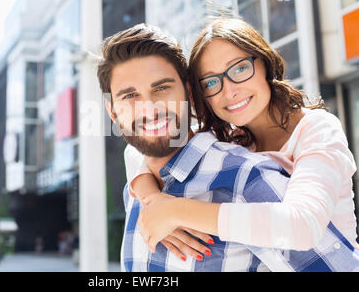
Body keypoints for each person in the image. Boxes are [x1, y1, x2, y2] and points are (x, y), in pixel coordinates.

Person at [97, 23, 359, 271]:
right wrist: (151, 198)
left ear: (265, 63)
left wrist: (175, 211)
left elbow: (302, 225)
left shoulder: (313, 130)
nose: (230, 91)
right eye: (211, 82)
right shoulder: (233, 137)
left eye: (240, 69)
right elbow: (139, 149)